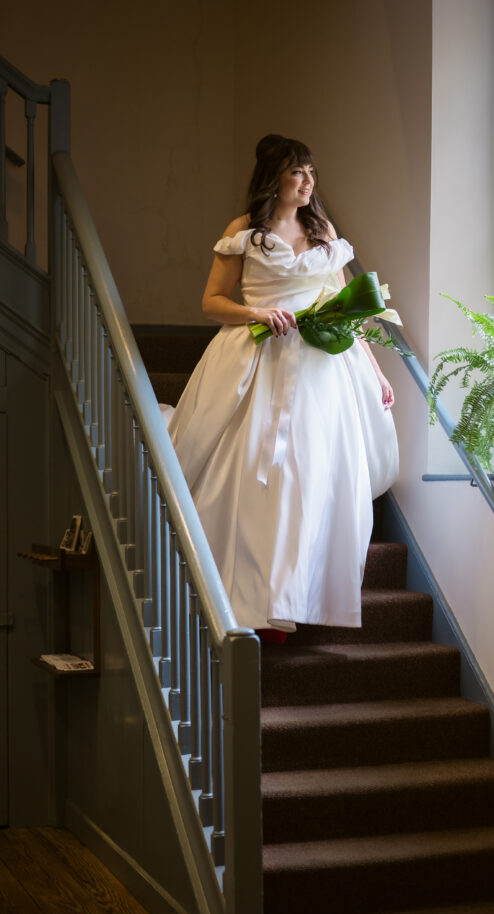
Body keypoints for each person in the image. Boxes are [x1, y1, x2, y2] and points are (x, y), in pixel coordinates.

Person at [167, 134, 399, 637]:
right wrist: (255, 311)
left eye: (312, 172)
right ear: (275, 177)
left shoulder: (323, 233)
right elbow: (211, 302)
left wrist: (378, 373)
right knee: (251, 473)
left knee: (308, 478)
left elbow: (346, 309)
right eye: (299, 172)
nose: (309, 182)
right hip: (254, 361)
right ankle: (245, 598)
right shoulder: (243, 231)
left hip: (317, 371)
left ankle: (293, 598)